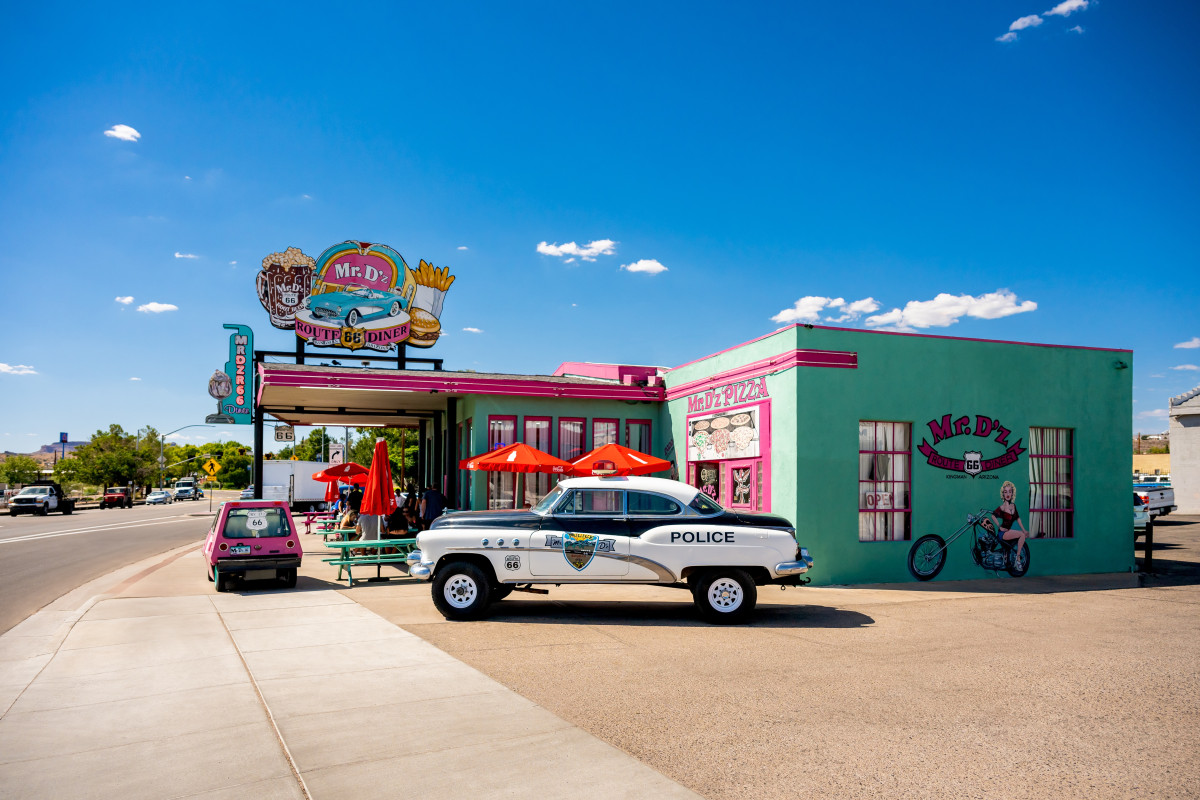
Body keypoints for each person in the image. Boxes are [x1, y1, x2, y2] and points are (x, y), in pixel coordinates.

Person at [992, 480, 1031, 556]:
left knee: (1024, 534)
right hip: (1003, 533)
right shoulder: (1002, 507)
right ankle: (1018, 557)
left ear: (1012, 493)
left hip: (1008, 531)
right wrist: (999, 526)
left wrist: (1024, 530)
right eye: (1005, 492)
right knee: (1022, 535)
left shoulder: (1013, 506)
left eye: (1010, 491)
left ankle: (1011, 556)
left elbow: (1018, 518)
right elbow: (993, 516)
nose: (1008, 494)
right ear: (1003, 494)